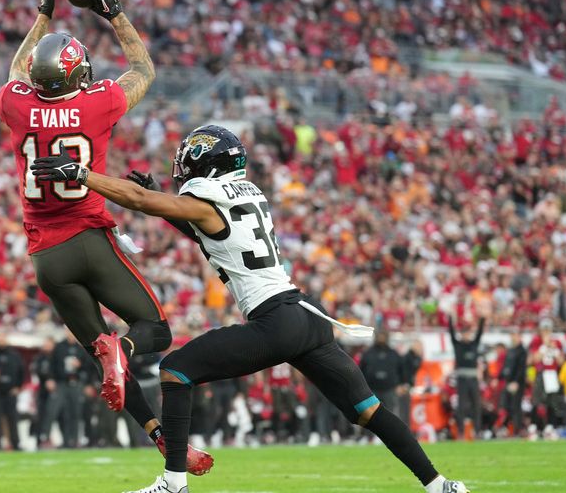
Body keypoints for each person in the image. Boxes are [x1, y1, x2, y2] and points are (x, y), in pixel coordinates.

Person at [31, 125, 470, 493]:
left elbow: (145, 203)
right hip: (306, 317)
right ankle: (440, 485)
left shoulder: (208, 198)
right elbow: (209, 232)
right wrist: (164, 203)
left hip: (274, 320)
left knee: (175, 370)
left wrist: (83, 175)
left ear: (207, 165)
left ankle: (173, 482)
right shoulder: (246, 193)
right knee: (368, 411)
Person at [0, 0, 210, 473]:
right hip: (89, 235)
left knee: (102, 354)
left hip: (46, 257)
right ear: (77, 75)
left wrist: (42, 16)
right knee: (153, 332)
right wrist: (113, 12)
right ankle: (124, 347)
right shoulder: (96, 104)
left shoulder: (17, 105)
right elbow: (143, 69)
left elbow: (16, 70)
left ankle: (164, 443)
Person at [449, 315, 485, 440]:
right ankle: (461, 432)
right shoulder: (457, 345)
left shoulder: (474, 344)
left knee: (476, 404)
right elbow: (451, 333)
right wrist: (450, 318)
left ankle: (477, 431)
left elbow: (479, 333)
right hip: (462, 379)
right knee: (461, 405)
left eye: (467, 333)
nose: (466, 336)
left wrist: (482, 319)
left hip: (473, 378)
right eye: (463, 333)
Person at [0, 330, 25, 451]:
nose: (1, 340)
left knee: (13, 419)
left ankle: (15, 443)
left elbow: (21, 371)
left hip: (11, 392)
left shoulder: (14, 354)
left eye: (2, 337)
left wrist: (18, 386)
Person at [498, 330, 528, 436]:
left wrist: (516, 381)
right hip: (508, 382)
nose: (513, 337)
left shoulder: (522, 351)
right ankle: (511, 428)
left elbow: (521, 369)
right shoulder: (510, 350)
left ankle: (518, 429)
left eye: (515, 335)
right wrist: (499, 377)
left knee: (516, 406)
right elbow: (506, 367)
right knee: (508, 406)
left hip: (516, 383)